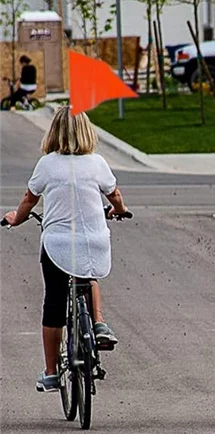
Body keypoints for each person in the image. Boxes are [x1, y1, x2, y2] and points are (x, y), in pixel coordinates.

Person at [3, 107, 127, 392]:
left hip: (58, 243)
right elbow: (115, 194)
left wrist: (15, 219)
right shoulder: (97, 162)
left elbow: (29, 198)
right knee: (88, 274)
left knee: (55, 302)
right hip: (93, 240)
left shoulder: (47, 164)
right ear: (86, 132)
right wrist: (120, 210)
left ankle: (50, 373)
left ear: (54, 132)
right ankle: (99, 324)